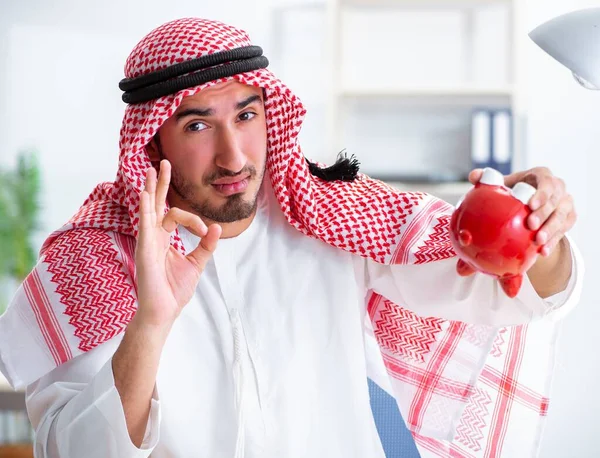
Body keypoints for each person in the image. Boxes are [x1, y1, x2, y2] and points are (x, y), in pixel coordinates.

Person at [0, 17, 582, 458]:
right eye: (198, 125)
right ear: (152, 143)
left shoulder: (331, 214)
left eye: (247, 116)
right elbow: (74, 450)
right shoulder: (90, 263)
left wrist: (538, 229)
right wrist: (149, 324)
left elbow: (516, 294)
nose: (234, 155)